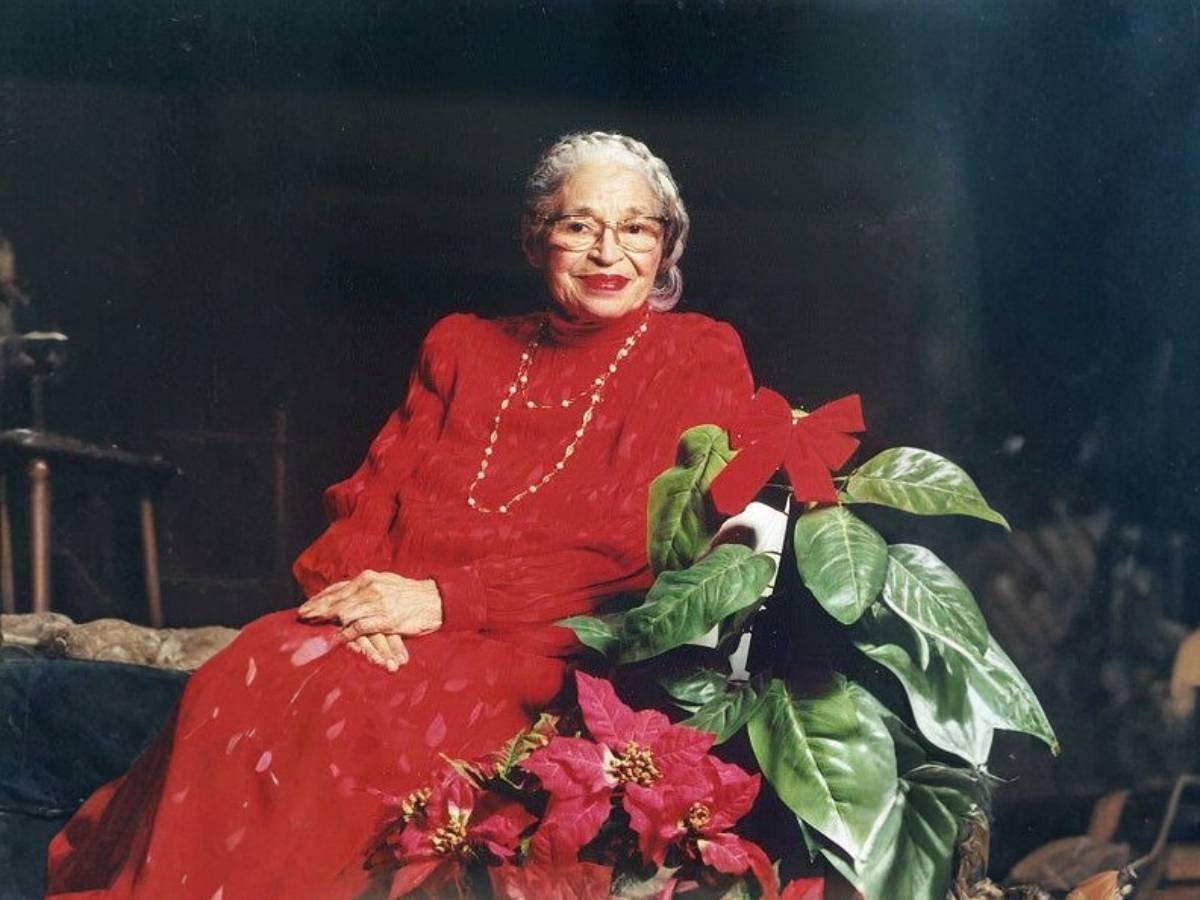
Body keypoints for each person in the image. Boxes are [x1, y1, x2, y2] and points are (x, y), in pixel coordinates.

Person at [44, 132, 755, 898]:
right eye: (578, 225)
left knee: (352, 714)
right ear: (535, 236)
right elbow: (367, 500)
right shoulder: (463, 346)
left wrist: (445, 601)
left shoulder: (697, 355)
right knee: (245, 666)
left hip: (547, 642)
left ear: (665, 246)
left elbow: (639, 553)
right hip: (395, 623)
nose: (607, 252)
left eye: (636, 228)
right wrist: (366, 604)